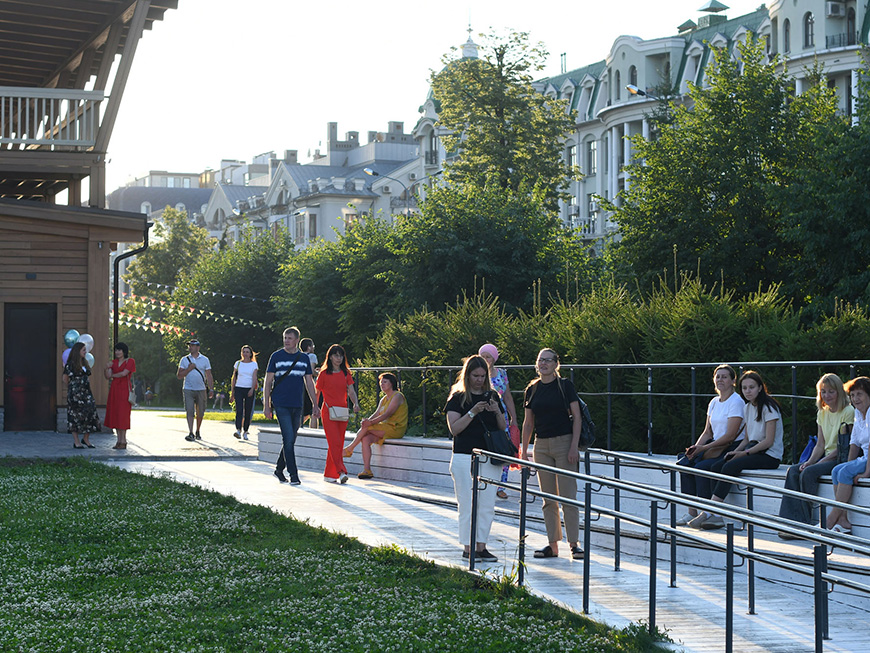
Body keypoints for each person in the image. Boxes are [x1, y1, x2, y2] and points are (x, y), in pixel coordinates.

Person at [689, 370, 784, 529]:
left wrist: (743, 453)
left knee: (731, 466)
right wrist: (735, 452)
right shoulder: (748, 408)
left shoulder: (769, 407)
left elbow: (768, 441)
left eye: (752, 387)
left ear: (760, 388)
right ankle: (716, 517)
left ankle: (710, 511)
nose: (748, 391)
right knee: (717, 465)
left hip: (769, 455)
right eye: (744, 388)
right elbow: (746, 439)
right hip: (752, 450)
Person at [521, 348, 584, 560]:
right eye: (541, 360)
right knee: (548, 498)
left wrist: (574, 446)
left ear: (556, 364)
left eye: (548, 360)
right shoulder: (532, 389)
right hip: (541, 445)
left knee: (568, 496)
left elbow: (577, 417)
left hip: (564, 442)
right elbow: (528, 423)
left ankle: (574, 544)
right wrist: (524, 451)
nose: (543, 364)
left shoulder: (565, 386)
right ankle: (552, 544)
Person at [445, 355, 505, 563]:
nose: (479, 380)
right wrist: (472, 412)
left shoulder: (492, 396)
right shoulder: (458, 398)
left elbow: (502, 427)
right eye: (475, 376)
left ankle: (482, 546)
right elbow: (455, 429)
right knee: (467, 504)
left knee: (487, 504)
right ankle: (468, 546)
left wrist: (497, 412)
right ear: (467, 376)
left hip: (489, 456)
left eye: (483, 376)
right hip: (464, 456)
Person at [778, 374, 854, 536]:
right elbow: (820, 444)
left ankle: (803, 523)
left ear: (839, 392)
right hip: (825, 456)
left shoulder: (848, 411)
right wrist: (810, 461)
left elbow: (845, 446)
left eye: (831, 391)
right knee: (793, 470)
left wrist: (818, 463)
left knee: (809, 472)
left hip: (840, 458)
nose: (827, 395)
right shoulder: (822, 413)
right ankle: (789, 521)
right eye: (823, 392)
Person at [675, 364, 745, 525]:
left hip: (729, 447)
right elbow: (707, 432)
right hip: (713, 445)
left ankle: (707, 513)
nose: (720, 379)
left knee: (702, 467)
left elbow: (730, 436)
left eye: (724, 377)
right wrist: (694, 450)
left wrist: (704, 448)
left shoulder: (736, 402)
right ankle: (692, 512)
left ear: (733, 381)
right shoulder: (714, 402)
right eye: (717, 376)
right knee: (685, 464)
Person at [264, 327, 319, 485]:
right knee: (288, 438)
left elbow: (309, 382)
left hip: (297, 404)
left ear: (296, 340)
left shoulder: (303, 358)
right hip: (281, 403)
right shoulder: (276, 356)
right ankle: (293, 475)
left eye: (289, 338)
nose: (286, 341)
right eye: (285, 338)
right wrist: (267, 405)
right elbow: (268, 381)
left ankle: (278, 469)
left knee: (291, 439)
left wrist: (315, 404)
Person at [826, 376, 870, 534]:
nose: (855, 399)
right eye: (852, 395)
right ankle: (843, 520)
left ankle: (831, 518)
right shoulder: (858, 413)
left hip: (869, 459)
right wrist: (848, 465)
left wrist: (866, 472)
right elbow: (855, 442)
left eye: (859, 394)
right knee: (837, 470)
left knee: (844, 472)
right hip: (866, 457)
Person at [343, 372, 408, 479]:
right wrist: (367, 420)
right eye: (381, 382)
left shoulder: (397, 396)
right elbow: (376, 414)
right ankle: (367, 470)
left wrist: (370, 423)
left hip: (395, 428)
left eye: (385, 382)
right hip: (384, 428)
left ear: (392, 383)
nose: (382, 384)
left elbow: (387, 414)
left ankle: (349, 449)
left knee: (367, 427)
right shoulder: (384, 399)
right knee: (365, 439)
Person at [478, 343, 519, 499]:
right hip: (484, 415)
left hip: (501, 415)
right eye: (482, 356)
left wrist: (513, 418)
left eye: (488, 357)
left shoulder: (501, 373)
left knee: (503, 447)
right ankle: (484, 482)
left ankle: (501, 486)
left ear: (494, 358)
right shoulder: (478, 375)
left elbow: (507, 396)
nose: (485, 359)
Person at [315, 344, 360, 483]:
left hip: (342, 411)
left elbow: (351, 391)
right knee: (334, 442)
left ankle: (329, 474)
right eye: (336, 355)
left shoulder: (346, 373)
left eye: (341, 355)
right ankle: (341, 472)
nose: (338, 358)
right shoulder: (324, 374)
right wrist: (315, 407)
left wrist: (355, 403)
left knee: (338, 443)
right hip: (328, 411)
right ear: (330, 357)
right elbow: (317, 392)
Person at [63, 342, 100, 448]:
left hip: (86, 394)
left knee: (91, 414)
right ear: (77, 351)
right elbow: (65, 379)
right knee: (75, 416)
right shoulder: (70, 364)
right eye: (83, 350)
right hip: (75, 395)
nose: (85, 352)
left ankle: (86, 439)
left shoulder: (85, 363)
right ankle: (76, 442)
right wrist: (73, 388)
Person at [176, 338, 214, 442]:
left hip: (201, 389)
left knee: (200, 412)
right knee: (189, 410)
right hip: (188, 389)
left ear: (198, 347)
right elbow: (179, 375)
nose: (190, 347)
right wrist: (189, 369)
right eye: (189, 346)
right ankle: (190, 432)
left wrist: (211, 389)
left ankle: (197, 430)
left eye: (192, 346)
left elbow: (209, 375)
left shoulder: (205, 359)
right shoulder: (184, 359)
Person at [103, 341, 136, 450]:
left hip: (124, 390)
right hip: (114, 390)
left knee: (123, 414)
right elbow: (108, 376)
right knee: (116, 414)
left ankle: (124, 440)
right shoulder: (113, 362)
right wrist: (106, 368)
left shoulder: (130, 361)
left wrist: (113, 375)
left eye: (119, 350)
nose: (117, 352)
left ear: (124, 351)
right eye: (116, 350)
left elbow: (124, 373)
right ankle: (118, 440)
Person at [231, 345, 259, 440]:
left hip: (249, 388)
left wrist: (252, 389)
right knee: (239, 410)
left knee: (248, 411)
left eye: (247, 352)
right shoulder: (238, 363)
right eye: (244, 352)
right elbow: (234, 377)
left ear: (250, 354)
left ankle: (246, 431)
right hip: (239, 388)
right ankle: (238, 430)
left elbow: (254, 377)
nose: (245, 354)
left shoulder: (254, 364)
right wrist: (232, 391)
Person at [300, 338, 319, 429]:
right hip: (309, 384)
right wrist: (318, 373)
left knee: (304, 411)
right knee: (313, 411)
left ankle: (296, 427)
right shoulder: (312, 356)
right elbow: (311, 371)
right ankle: (313, 431)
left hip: (300, 383)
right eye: (312, 346)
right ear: (309, 347)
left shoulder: (299, 356)